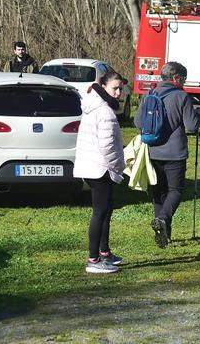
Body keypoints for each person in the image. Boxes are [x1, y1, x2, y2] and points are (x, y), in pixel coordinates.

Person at [133, 61, 200, 248]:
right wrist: (199, 115)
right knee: (176, 191)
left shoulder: (149, 94)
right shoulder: (181, 96)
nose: (184, 82)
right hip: (175, 153)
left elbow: (138, 122)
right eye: (184, 79)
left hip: (153, 151)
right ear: (176, 78)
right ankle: (163, 219)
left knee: (159, 192)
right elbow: (191, 126)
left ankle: (164, 235)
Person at [74, 71, 127, 274]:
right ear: (103, 87)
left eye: (121, 88)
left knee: (106, 210)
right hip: (100, 167)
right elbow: (108, 147)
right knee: (100, 212)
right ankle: (93, 260)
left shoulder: (94, 105)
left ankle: (104, 253)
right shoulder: (104, 111)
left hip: (94, 165)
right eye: (115, 88)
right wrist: (117, 166)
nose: (118, 92)